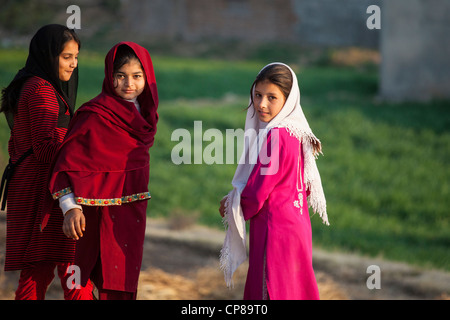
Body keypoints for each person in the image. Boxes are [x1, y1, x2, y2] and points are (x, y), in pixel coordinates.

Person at [46, 42, 158, 300]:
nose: (129, 83)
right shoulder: (95, 114)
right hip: (90, 216)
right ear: (109, 76)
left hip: (129, 213)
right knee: (79, 283)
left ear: (148, 78)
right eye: (120, 76)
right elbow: (65, 164)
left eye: (137, 76)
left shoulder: (147, 116)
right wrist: (70, 207)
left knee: (122, 280)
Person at [219, 63, 329, 300]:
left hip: (275, 232)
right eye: (257, 95)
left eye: (272, 97)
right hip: (296, 229)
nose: (261, 104)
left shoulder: (276, 136)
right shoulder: (296, 132)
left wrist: (232, 205)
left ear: (288, 100)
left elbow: (258, 193)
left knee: (271, 290)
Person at [0, 24, 93, 300]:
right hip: (46, 191)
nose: (73, 64)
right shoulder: (42, 90)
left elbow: (19, 144)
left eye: (76, 57)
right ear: (48, 55)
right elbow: (44, 148)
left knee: (37, 269)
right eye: (66, 57)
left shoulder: (29, 84)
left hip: (31, 187)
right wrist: (88, 151)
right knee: (73, 266)